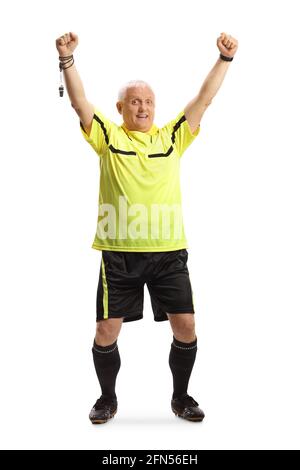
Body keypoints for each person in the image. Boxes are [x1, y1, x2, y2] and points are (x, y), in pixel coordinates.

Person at [55, 31, 238, 424]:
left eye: (149, 102)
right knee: (106, 330)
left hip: (168, 252)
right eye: (135, 101)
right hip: (119, 254)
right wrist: (67, 59)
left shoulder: (172, 138)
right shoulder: (108, 136)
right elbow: (79, 102)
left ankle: (181, 397)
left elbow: (204, 99)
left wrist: (224, 59)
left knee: (186, 325)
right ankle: (106, 398)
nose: (144, 107)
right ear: (121, 107)